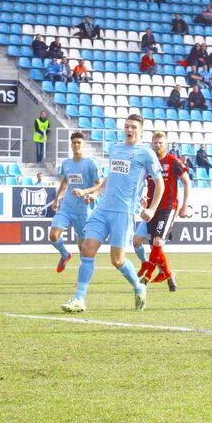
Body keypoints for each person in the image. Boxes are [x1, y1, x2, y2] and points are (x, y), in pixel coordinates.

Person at [61, 114, 162, 313]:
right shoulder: (115, 149)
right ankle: (79, 299)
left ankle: (138, 286)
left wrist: (152, 208)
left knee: (117, 260)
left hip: (123, 212)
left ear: (140, 130)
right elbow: (110, 177)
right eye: (126, 126)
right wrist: (96, 193)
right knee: (87, 249)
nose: (129, 130)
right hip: (103, 209)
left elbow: (160, 183)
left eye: (133, 127)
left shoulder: (146, 153)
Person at [132, 131, 190, 292]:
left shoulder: (173, 162)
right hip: (152, 210)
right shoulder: (149, 162)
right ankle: (169, 274)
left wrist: (184, 206)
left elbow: (187, 182)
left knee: (157, 242)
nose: (158, 145)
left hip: (167, 208)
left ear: (166, 145)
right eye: (155, 142)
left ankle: (147, 276)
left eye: (161, 143)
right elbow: (141, 182)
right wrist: (142, 196)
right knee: (143, 243)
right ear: (151, 144)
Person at [49, 132, 103, 273]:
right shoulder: (66, 164)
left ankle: (83, 274)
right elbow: (65, 183)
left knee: (83, 248)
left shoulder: (91, 163)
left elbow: (99, 184)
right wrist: (57, 199)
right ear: (71, 144)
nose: (76, 145)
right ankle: (65, 254)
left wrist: (85, 192)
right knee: (53, 235)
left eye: (79, 142)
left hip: (84, 210)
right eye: (74, 142)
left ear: (83, 144)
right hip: (67, 207)